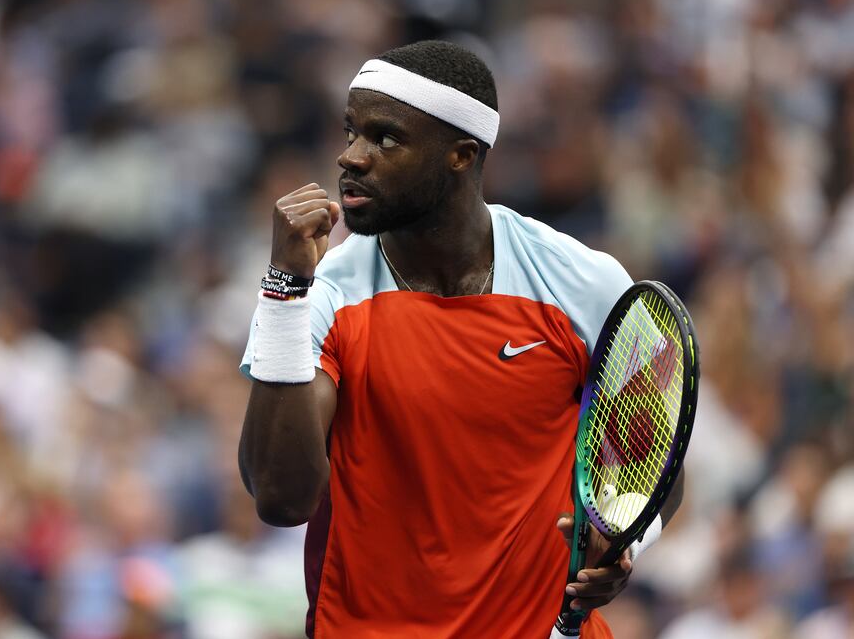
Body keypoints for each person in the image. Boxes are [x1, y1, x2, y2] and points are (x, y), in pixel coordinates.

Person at [238, 40, 684, 638]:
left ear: (460, 156)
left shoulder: (581, 281)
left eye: (384, 138)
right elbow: (281, 497)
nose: (351, 157)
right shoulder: (323, 296)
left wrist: (623, 543)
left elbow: (660, 466)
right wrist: (284, 289)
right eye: (350, 133)